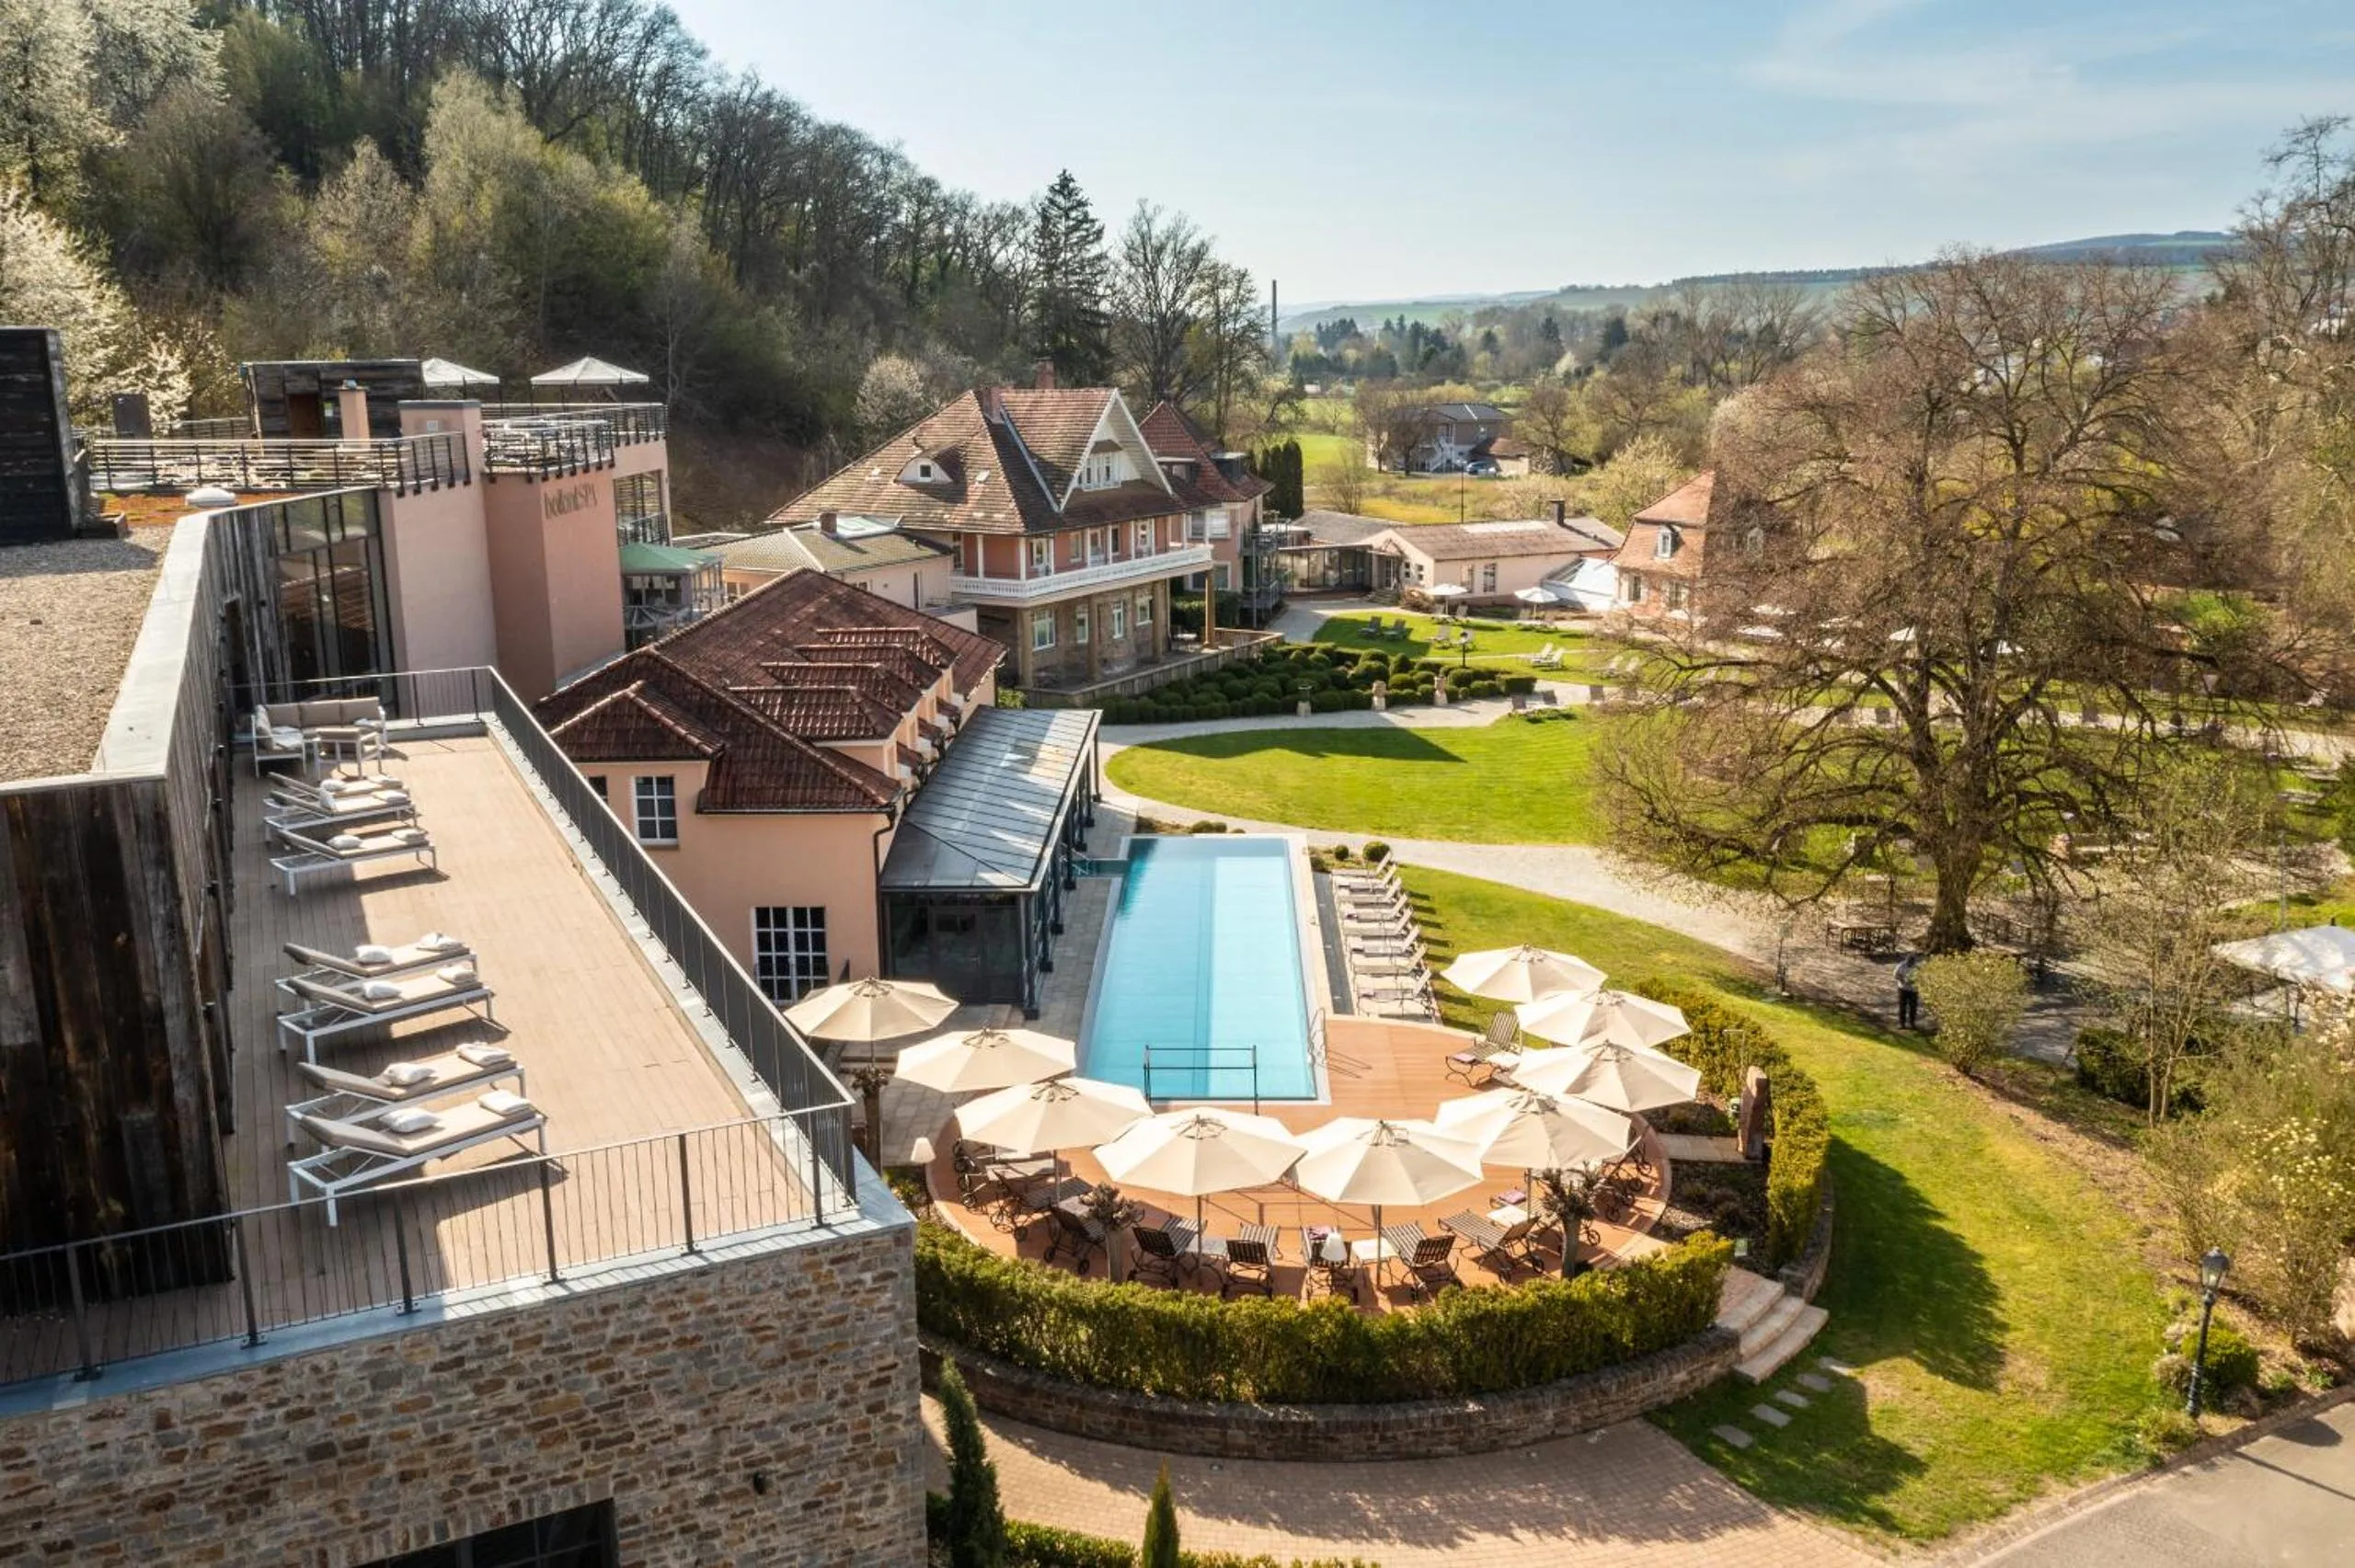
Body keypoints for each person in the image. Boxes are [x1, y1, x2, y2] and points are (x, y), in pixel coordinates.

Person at [1895, 952, 1924, 1030]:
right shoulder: (1901, 966)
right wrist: (1903, 980)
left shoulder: (1917, 968)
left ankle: (1912, 1023)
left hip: (1913, 990)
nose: (1910, 963)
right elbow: (1896, 975)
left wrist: (1913, 981)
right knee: (1902, 1006)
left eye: (1912, 962)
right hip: (1903, 988)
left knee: (1913, 1007)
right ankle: (1902, 1023)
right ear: (1907, 960)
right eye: (1909, 962)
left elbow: (1920, 978)